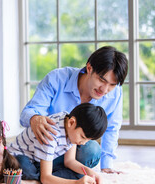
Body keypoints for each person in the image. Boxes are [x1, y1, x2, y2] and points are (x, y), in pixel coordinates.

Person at [21, 46, 128, 175]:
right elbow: (28, 112)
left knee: (91, 150)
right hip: (44, 146)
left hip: (73, 151)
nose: (104, 90)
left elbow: (112, 128)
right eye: (101, 80)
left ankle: (43, 174)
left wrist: (107, 166)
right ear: (89, 68)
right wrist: (35, 118)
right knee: (20, 164)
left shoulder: (115, 93)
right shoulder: (57, 78)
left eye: (112, 84)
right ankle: (51, 173)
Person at [8, 103, 107, 184]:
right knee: (23, 167)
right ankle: (38, 182)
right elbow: (45, 177)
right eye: (82, 137)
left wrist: (90, 172)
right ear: (71, 122)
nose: (83, 143)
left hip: (40, 160)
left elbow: (70, 161)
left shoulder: (69, 125)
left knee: (80, 174)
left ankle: (38, 180)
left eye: (88, 140)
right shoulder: (50, 133)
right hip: (21, 159)